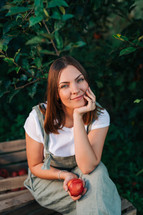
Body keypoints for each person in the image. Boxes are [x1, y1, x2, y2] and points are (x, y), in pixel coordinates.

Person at [24, 56, 121, 215]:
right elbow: (35, 166)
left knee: (97, 173)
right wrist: (64, 175)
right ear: (56, 93)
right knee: (98, 194)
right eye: (65, 86)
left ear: (86, 81)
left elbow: (87, 166)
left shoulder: (100, 116)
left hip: (85, 173)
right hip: (49, 179)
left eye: (79, 80)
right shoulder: (38, 118)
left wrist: (77, 117)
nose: (75, 89)